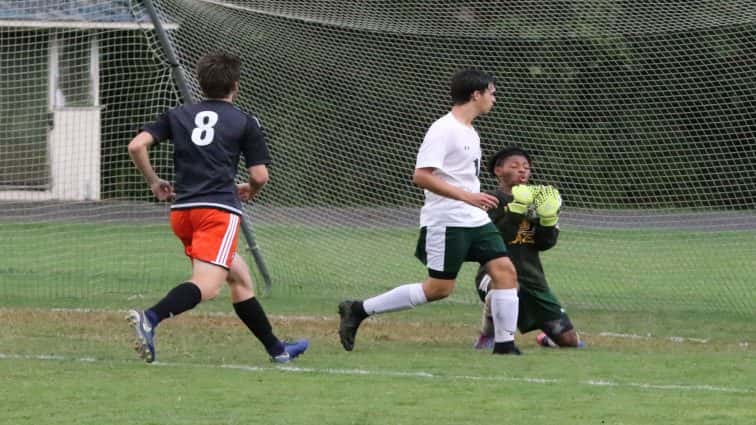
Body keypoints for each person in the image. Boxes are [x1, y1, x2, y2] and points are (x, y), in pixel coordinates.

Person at [125, 52, 308, 364]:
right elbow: (260, 175)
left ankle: (277, 350)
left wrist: (155, 182)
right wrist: (252, 188)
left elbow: (136, 145)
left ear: (201, 83)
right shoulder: (245, 121)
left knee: (239, 278)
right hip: (217, 213)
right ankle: (150, 318)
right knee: (207, 286)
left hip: (183, 213)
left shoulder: (178, 114)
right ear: (235, 86)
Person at [338, 69, 522, 355]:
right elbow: (421, 176)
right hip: (447, 220)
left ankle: (505, 346)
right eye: (492, 93)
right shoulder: (443, 129)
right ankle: (359, 309)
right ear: (476, 94)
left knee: (505, 271)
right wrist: (467, 196)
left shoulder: (470, 131)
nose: (494, 99)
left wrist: (473, 199)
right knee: (439, 288)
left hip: (474, 219)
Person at [473, 147, 583, 349]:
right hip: (492, 274)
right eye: (514, 166)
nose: (522, 171)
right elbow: (492, 240)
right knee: (505, 286)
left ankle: (546, 337)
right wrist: (515, 212)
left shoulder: (541, 199)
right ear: (498, 171)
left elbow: (545, 244)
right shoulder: (488, 201)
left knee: (570, 342)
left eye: (526, 167)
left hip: (532, 278)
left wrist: (548, 220)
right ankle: (488, 334)